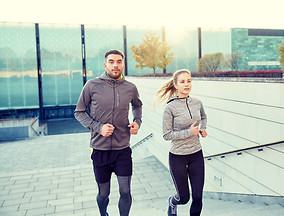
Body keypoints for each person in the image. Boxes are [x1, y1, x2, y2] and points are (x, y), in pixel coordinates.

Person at [74, 49, 142, 216]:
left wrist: (137, 122)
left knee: (125, 191)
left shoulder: (130, 88)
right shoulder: (92, 85)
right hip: (100, 149)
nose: (115, 65)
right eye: (111, 62)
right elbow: (79, 112)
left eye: (119, 61)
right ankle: (103, 213)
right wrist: (99, 127)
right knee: (104, 194)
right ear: (105, 65)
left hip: (122, 149)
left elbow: (137, 105)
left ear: (123, 65)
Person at [155, 69, 208, 216]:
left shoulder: (197, 103)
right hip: (178, 157)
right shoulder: (170, 107)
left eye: (189, 81)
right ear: (176, 85)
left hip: (196, 154)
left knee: (197, 196)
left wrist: (202, 129)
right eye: (182, 82)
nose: (187, 84)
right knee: (184, 198)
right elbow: (166, 135)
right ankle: (172, 201)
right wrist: (189, 132)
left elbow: (203, 117)